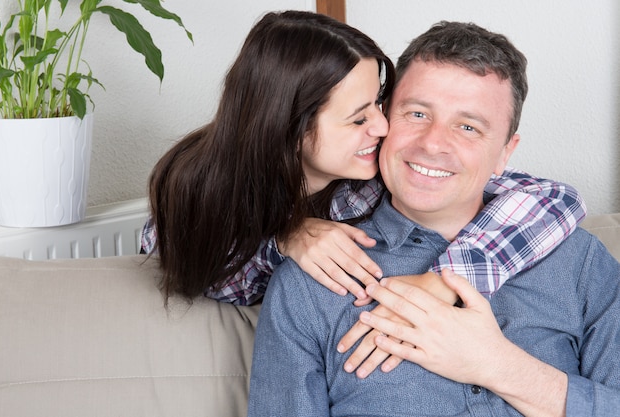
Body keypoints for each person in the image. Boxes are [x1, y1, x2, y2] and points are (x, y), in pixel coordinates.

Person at [248, 21, 620, 416]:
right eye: (417, 113)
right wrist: (287, 233)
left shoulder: (580, 262)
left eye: (468, 126)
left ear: (505, 154)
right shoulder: (310, 280)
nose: (433, 143)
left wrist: (500, 366)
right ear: (384, 119)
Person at [141, 10, 585, 309]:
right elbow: (195, 266)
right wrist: (284, 238)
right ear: (289, 130)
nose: (382, 126)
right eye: (358, 119)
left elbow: (554, 199)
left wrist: (450, 279)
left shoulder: (369, 180)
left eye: (379, 102)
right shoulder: (192, 184)